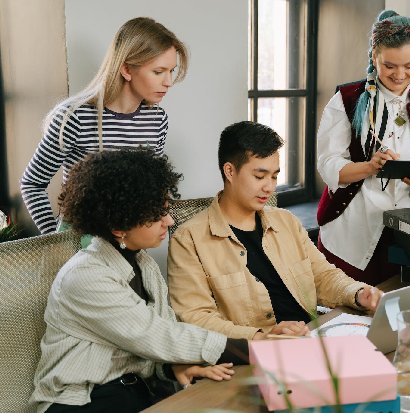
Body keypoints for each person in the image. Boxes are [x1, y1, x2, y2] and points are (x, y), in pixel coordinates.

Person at [30, 149, 248, 413]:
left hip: (134, 393)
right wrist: (254, 350)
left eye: (166, 210)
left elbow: (149, 340)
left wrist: (173, 366)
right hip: (80, 402)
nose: (169, 221)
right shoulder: (85, 277)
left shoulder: (144, 264)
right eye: (156, 215)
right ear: (119, 227)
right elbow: (157, 335)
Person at [167, 121, 383, 340]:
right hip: (257, 355)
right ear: (230, 171)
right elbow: (195, 319)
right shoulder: (189, 239)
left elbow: (322, 276)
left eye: (274, 176)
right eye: (259, 177)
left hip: (312, 336)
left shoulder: (286, 221)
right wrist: (263, 335)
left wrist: (357, 294)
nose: (269, 187)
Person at [316, 10, 410, 284]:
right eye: (389, 65)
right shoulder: (346, 99)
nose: (400, 74)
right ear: (374, 56)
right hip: (351, 232)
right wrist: (369, 167)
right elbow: (327, 165)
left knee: (402, 312)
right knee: (345, 316)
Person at [21, 17, 188, 235]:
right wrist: (57, 242)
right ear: (127, 69)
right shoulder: (74, 117)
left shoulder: (157, 120)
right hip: (80, 248)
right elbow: (32, 184)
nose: (168, 82)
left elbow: (150, 189)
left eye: (171, 71)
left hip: (129, 245)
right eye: (158, 72)